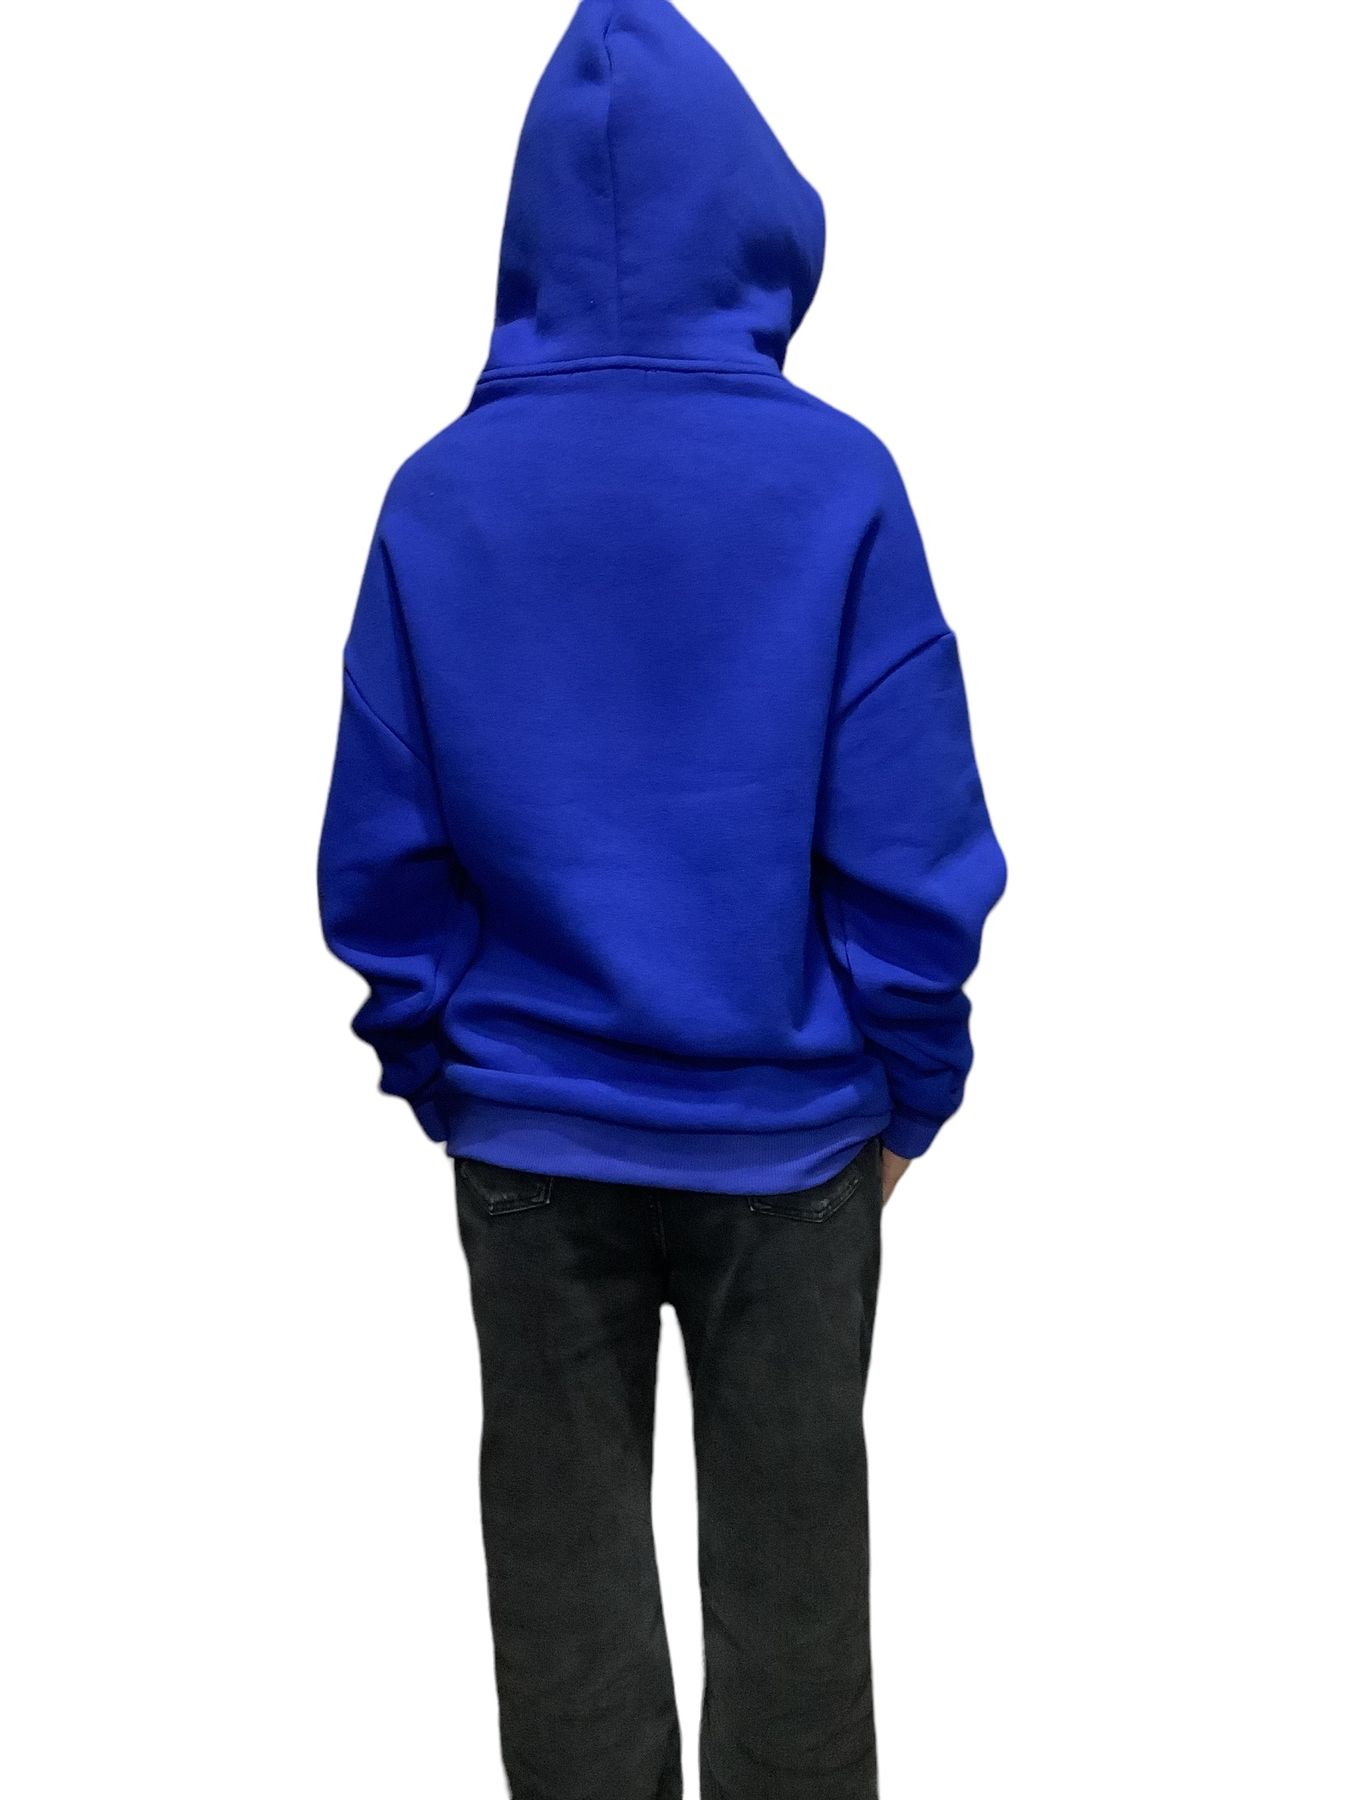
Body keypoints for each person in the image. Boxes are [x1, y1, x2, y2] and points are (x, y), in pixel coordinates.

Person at [318, 1, 1005, 1793]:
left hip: (530, 1139)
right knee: (796, 1608)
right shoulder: (837, 481)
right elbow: (911, 843)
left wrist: (445, 1068)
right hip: (792, 1145)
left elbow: (379, 849)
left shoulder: (437, 496)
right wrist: (911, 1088)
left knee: (563, 1605)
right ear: (755, 209)